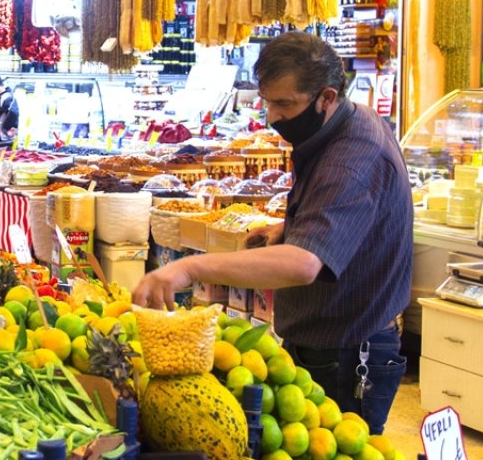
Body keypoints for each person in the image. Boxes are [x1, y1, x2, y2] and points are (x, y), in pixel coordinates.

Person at [132, 32, 412, 435]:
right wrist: (290, 227)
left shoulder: (350, 159)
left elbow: (302, 265)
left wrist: (190, 269)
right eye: (267, 101)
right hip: (333, 334)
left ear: (326, 97)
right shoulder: (350, 120)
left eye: (284, 104)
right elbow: (362, 213)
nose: (272, 117)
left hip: (348, 350)